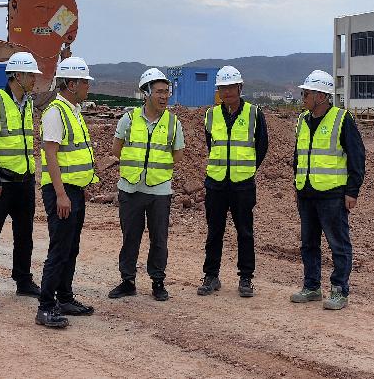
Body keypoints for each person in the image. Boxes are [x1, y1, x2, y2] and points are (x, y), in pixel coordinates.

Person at [290, 70, 365, 310]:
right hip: (306, 192)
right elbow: (299, 156)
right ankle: (312, 286)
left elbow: (357, 156)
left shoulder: (342, 119)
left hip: (332, 194)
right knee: (308, 243)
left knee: (338, 244)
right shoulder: (302, 120)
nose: (303, 97)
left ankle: (339, 290)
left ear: (321, 96)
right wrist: (297, 185)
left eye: (307, 93)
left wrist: (352, 191)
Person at [108, 68, 185, 302]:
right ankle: (128, 281)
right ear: (147, 93)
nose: (164, 96)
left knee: (159, 239)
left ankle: (158, 282)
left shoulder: (173, 123)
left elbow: (178, 155)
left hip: (159, 190)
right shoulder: (129, 119)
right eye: (159, 92)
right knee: (130, 237)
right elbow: (116, 149)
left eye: (167, 92)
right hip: (130, 189)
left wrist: (156, 169)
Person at [0, 52, 43, 311]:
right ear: (17, 75)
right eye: (31, 75)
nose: (35, 79)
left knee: (24, 236)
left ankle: (23, 280)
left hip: (24, 182)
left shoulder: (28, 103)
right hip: (0, 184)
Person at [35, 56, 99, 329]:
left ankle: (64, 298)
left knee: (71, 247)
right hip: (61, 192)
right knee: (60, 248)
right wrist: (61, 194)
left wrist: (79, 188)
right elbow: (50, 155)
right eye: (84, 82)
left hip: (74, 190)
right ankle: (45, 306)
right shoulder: (55, 112)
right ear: (71, 84)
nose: (88, 87)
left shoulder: (73, 110)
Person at [197, 65, 268, 298]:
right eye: (222, 88)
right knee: (214, 231)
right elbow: (211, 144)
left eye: (231, 87)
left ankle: (246, 277)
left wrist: (247, 169)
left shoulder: (254, 114)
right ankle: (211, 275)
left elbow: (262, 146)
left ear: (240, 87)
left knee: (245, 232)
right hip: (216, 183)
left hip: (243, 184)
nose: (227, 92)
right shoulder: (211, 115)